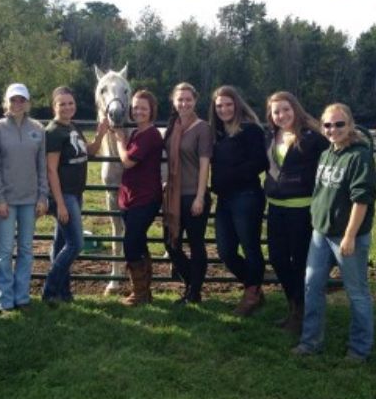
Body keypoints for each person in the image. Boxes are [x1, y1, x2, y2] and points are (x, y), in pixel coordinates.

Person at [292, 103, 376, 363]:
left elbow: (361, 199)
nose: (333, 130)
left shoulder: (359, 156)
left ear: (350, 124)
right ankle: (310, 341)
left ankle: (359, 349)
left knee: (357, 292)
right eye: (327, 125)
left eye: (339, 124)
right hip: (321, 233)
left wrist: (351, 235)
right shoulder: (328, 153)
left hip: (346, 237)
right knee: (312, 286)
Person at [265, 91, 329, 333]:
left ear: (296, 109)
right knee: (278, 258)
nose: (281, 115)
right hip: (276, 207)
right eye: (276, 111)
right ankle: (293, 305)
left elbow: (334, 153)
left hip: (302, 209)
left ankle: (299, 312)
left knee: (300, 261)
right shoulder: (272, 136)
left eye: (285, 110)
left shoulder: (313, 138)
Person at [42, 87, 108, 305]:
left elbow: (88, 151)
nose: (67, 107)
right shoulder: (53, 132)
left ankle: (64, 292)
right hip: (64, 195)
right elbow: (51, 170)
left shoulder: (73, 126)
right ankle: (50, 289)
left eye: (70, 103)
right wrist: (59, 203)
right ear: (54, 107)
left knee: (61, 244)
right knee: (75, 244)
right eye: (62, 104)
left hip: (75, 193)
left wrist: (100, 134)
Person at [0, 83, 48, 314]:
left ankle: (22, 296)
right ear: (6, 102)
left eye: (21, 100)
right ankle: (4, 298)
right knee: (4, 251)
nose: (17, 104)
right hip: (6, 200)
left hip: (30, 200)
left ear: (28, 102)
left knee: (25, 249)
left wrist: (42, 196)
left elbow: (41, 165)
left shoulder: (38, 129)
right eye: (13, 100)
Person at [209, 86, 268, 316]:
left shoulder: (250, 130)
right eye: (219, 106)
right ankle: (254, 286)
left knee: (250, 246)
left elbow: (260, 162)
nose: (224, 109)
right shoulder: (218, 132)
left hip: (247, 196)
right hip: (224, 199)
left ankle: (251, 294)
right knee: (225, 251)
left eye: (228, 104)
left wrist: (230, 176)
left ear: (237, 104)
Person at [163, 82, 213, 304]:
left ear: (195, 101)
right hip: (174, 195)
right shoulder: (173, 127)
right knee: (170, 243)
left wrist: (200, 197)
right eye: (180, 99)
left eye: (188, 99)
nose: (184, 103)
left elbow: (204, 165)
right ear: (173, 102)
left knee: (195, 244)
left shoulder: (203, 128)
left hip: (193, 195)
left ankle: (193, 292)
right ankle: (192, 286)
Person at [114, 90, 164, 305]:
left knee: (131, 244)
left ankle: (141, 293)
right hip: (131, 197)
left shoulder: (150, 135)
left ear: (152, 110)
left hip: (145, 197)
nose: (139, 111)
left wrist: (118, 140)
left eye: (144, 107)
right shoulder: (136, 133)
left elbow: (127, 161)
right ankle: (144, 292)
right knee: (139, 242)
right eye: (135, 107)